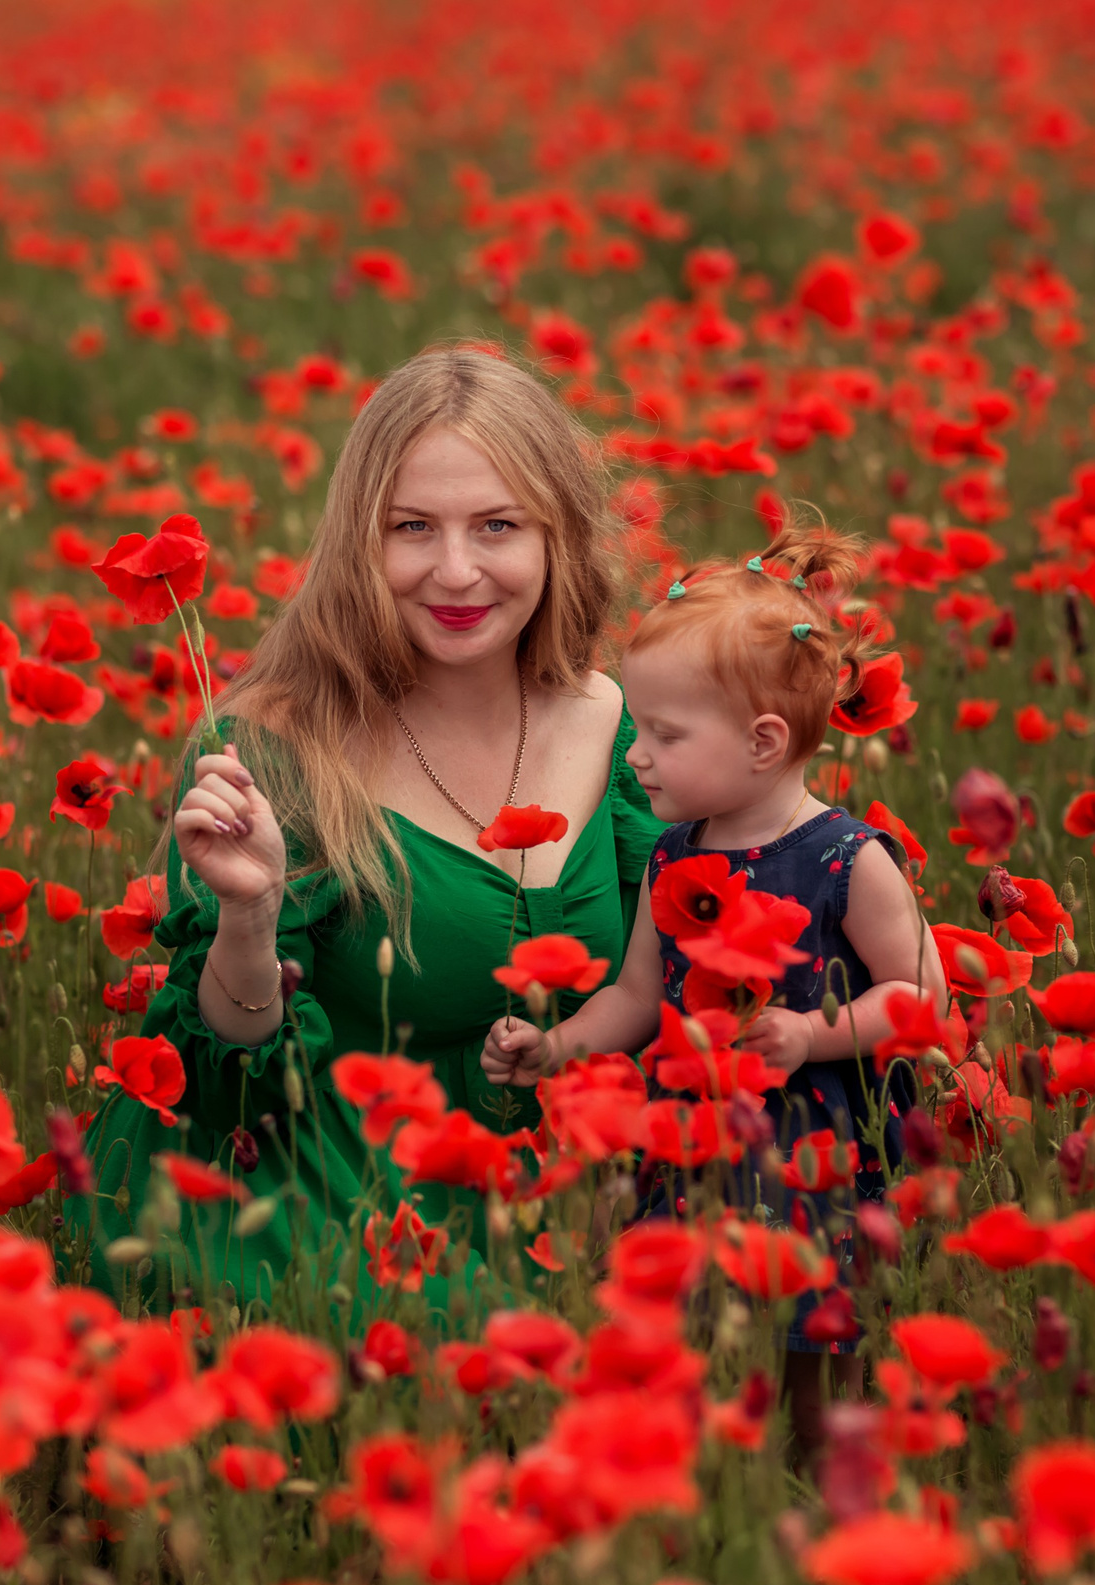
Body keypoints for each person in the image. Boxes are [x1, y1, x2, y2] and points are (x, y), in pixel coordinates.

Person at [79, 343, 661, 1324]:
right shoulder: (275, 746)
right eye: (412, 527)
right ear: (359, 539)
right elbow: (228, 1090)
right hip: (327, 1187)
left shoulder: (618, 725)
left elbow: (689, 969)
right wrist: (249, 917)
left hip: (569, 1196)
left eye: (497, 525)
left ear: (556, 532)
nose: (456, 571)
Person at [481, 529, 946, 1465]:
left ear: (762, 740)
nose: (637, 758)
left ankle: (827, 1499)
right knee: (699, 1350)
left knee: (819, 1359)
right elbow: (638, 996)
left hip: (818, 1155)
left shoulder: (849, 861)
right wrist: (556, 1045)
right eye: (639, 731)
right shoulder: (673, 856)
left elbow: (921, 995)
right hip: (696, 1148)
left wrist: (813, 1034)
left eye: (664, 735)